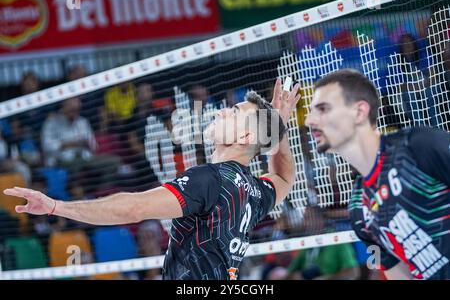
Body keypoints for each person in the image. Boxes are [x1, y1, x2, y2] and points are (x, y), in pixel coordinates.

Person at [3, 78, 300, 280]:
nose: (222, 111)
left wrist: (56, 207)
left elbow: (133, 209)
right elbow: (285, 177)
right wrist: (278, 125)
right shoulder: (254, 191)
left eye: (234, 112)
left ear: (246, 136)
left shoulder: (210, 180)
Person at [304, 69, 450, 280]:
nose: (310, 120)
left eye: (323, 109)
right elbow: (398, 274)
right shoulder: (358, 208)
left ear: (360, 112)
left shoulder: (417, 145)